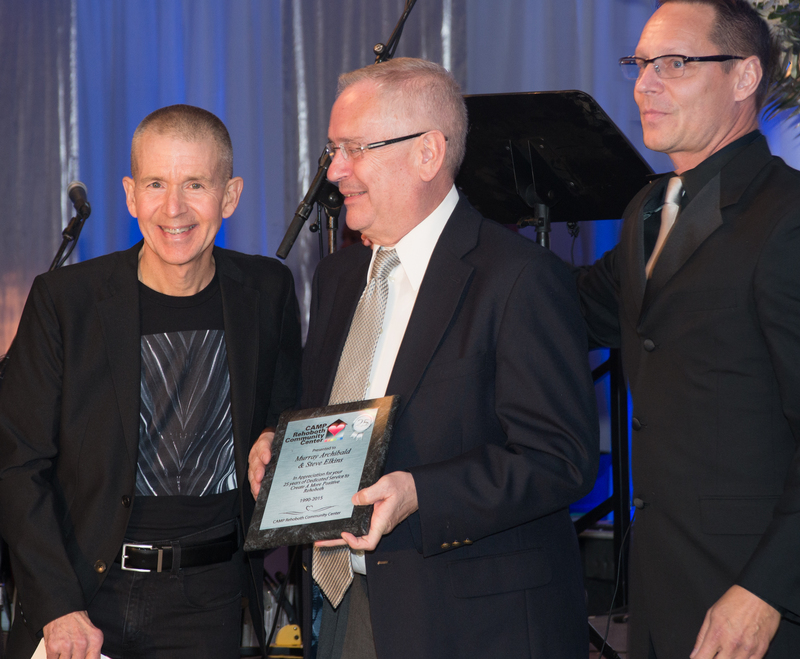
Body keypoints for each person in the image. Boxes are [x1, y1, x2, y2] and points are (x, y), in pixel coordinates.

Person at [249, 58, 599, 659]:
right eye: (333, 150)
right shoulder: (337, 277)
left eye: (355, 148)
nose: (336, 172)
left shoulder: (519, 279)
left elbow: (560, 459)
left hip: (470, 624)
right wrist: (280, 450)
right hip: (338, 609)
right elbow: (337, 425)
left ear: (429, 154)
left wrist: (422, 494)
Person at [0, 104, 302, 659]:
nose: (174, 208)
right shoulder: (64, 301)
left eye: (196, 184)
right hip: (86, 595)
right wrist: (57, 604)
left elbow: (285, 415)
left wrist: (273, 440)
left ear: (229, 196)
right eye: (156, 183)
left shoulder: (268, 291)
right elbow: (16, 461)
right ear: (130, 194)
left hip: (209, 601)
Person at [576, 1, 800, 657]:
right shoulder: (650, 203)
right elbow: (578, 304)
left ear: (744, 76)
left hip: (755, 605)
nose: (645, 84)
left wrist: (765, 591)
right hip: (661, 591)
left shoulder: (787, 219)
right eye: (640, 65)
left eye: (674, 64)